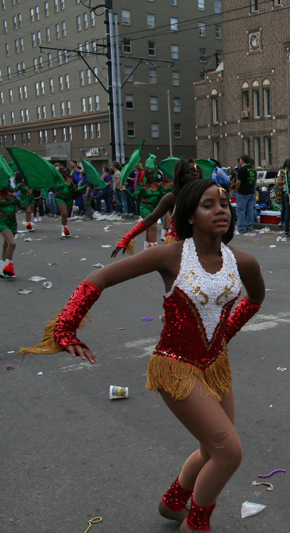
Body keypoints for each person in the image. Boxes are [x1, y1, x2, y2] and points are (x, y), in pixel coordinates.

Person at [22, 178, 265, 533]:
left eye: (224, 204)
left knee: (214, 448)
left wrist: (226, 333)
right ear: (190, 216)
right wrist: (65, 329)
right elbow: (98, 278)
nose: (220, 211)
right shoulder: (170, 256)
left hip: (215, 367)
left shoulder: (242, 261)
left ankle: (172, 503)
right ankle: (196, 525)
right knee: (228, 452)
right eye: (208, 205)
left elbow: (255, 300)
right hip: (175, 368)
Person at [111, 159, 201, 257]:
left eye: (197, 170)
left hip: (203, 244)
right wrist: (127, 238)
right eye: (190, 171)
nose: (195, 174)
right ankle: (149, 250)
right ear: (181, 176)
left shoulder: (208, 194)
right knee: (152, 227)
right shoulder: (172, 197)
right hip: (178, 245)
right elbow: (149, 219)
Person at [125, 165, 164, 249]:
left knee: (149, 227)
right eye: (148, 174)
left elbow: (164, 195)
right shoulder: (141, 186)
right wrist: (126, 191)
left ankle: (147, 247)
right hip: (145, 207)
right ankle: (154, 248)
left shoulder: (158, 185)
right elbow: (134, 197)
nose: (150, 176)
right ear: (145, 176)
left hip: (155, 208)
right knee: (152, 226)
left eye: (151, 174)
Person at [1, 181, 24, 278]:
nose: (7, 186)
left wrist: (25, 196)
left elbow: (22, 206)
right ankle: (8, 268)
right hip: (2, 222)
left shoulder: (12, 196)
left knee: (6, 245)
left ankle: (2, 267)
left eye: (8, 184)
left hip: (12, 222)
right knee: (12, 243)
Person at [55, 166, 85, 238]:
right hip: (60, 198)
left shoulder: (70, 180)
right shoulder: (57, 181)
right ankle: (63, 229)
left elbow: (75, 189)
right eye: (63, 173)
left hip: (69, 199)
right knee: (64, 213)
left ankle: (66, 227)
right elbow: (51, 187)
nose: (64, 174)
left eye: (65, 172)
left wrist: (85, 186)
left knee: (67, 214)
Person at [234, 155, 256, 234]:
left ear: (242, 160)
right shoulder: (253, 169)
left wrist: (237, 189)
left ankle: (241, 227)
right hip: (251, 191)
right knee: (250, 209)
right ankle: (249, 226)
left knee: (241, 210)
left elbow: (238, 181)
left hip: (243, 192)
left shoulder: (242, 169)